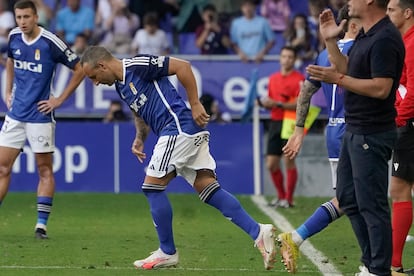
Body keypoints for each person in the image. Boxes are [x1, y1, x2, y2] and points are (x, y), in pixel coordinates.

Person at [79, 45, 278, 270]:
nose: (95, 83)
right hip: (182, 131)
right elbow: (139, 112)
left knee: (152, 187)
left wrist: (194, 103)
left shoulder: (138, 65)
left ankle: (167, 251)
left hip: (178, 127)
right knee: (208, 189)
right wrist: (139, 138)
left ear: (102, 65)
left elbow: (182, 66)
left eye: (94, 77)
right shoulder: (121, 87)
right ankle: (258, 232)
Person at [291, 2, 404, 275]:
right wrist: (330, 42)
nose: (348, 2)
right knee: (349, 200)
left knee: (372, 204)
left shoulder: (386, 37)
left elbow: (381, 88)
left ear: (369, 2)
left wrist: (339, 78)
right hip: (354, 129)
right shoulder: (366, 35)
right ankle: (370, 263)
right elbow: (348, 69)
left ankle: (378, 269)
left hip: (372, 131)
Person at [278, 5, 361, 273]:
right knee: (357, 200)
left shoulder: (325, 54)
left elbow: (305, 92)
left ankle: (374, 259)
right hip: (355, 131)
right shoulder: (360, 51)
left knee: (352, 200)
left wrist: (299, 129)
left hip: (334, 132)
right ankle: (375, 262)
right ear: (353, 24)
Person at [0, 0, 84, 239]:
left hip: (40, 115)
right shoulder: (14, 37)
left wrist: (59, 100)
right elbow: (10, 62)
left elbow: (80, 69)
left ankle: (41, 226)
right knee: (2, 168)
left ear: (36, 17)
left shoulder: (51, 42)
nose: (22, 22)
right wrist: (7, 92)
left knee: (44, 169)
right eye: (19, 17)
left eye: (27, 17)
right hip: (16, 114)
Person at [386, 0, 414, 274]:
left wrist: (398, 120)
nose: (387, 12)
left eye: (392, 8)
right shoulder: (404, 41)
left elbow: (413, 90)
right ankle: (394, 263)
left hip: (408, 125)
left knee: (399, 190)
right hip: (406, 122)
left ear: (408, 13)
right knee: (400, 190)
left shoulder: (412, 44)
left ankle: (393, 264)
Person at [258, 46, 304, 208]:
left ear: (294, 59)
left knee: (289, 161)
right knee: (271, 163)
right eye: (284, 56)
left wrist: (277, 103)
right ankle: (281, 196)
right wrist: (265, 103)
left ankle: (288, 199)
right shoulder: (273, 78)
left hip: (290, 122)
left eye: (290, 57)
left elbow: (301, 105)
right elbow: (273, 102)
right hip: (275, 122)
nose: (287, 60)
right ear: (280, 58)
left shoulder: (299, 79)